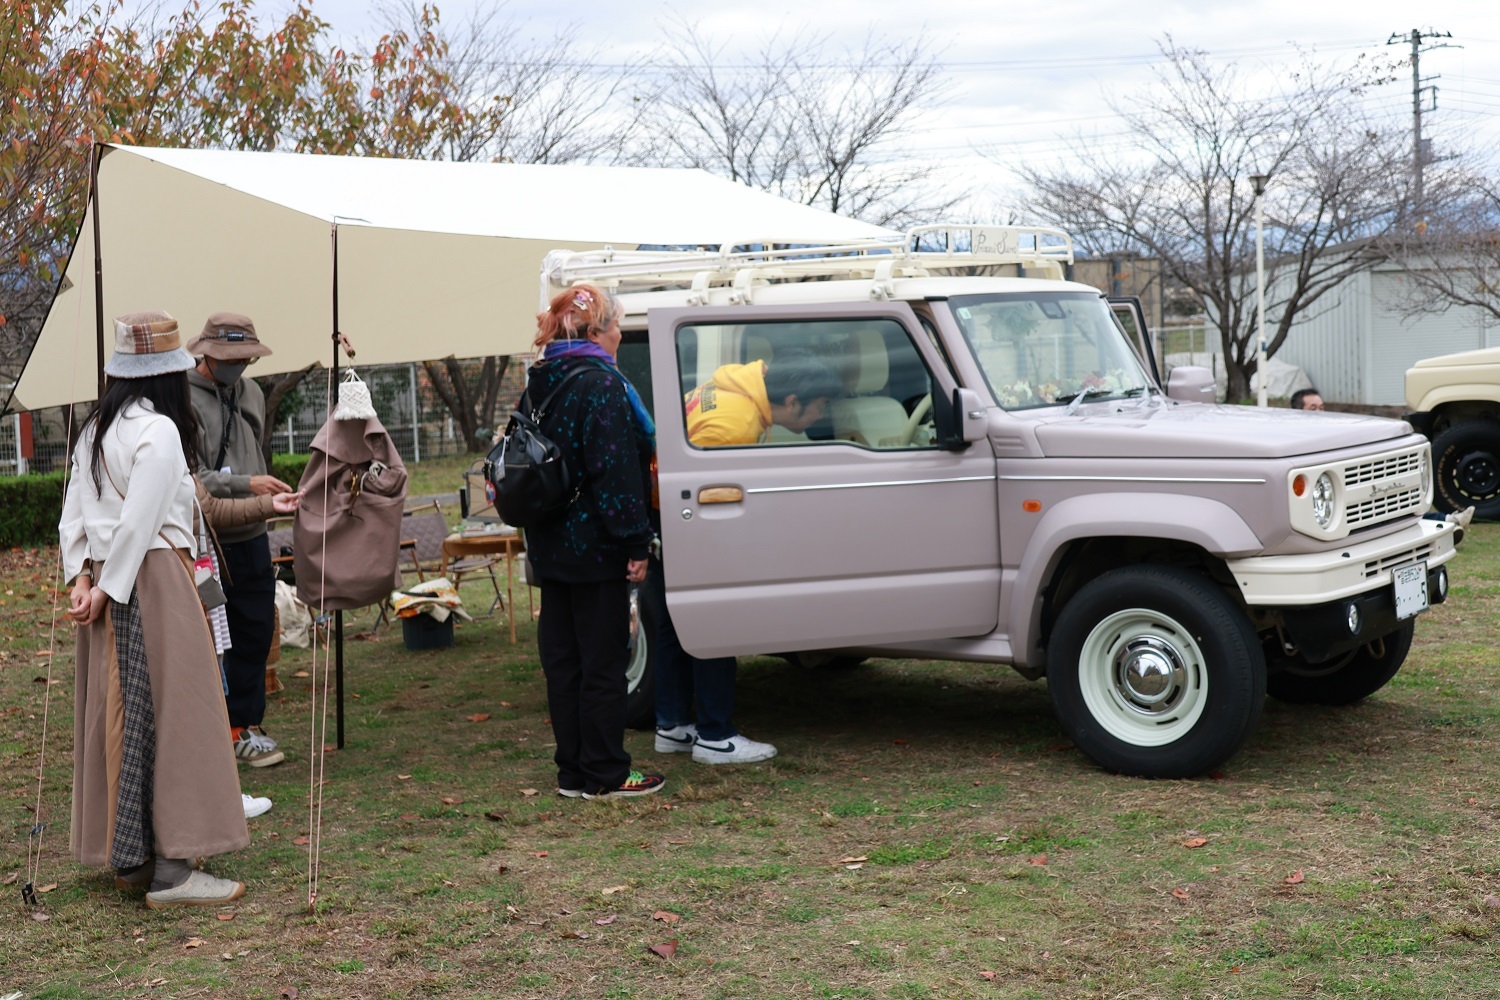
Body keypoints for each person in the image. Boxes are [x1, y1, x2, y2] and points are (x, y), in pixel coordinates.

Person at [57, 310, 270, 907]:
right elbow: (141, 518)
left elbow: (74, 512)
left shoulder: (96, 426)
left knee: (126, 712)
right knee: (177, 715)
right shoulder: (159, 431)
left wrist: (83, 577)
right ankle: (172, 869)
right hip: (151, 579)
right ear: (168, 375)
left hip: (111, 581)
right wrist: (106, 585)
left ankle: (135, 859)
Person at [651, 350, 844, 765]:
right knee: (717, 618)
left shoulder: (731, 386)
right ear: (791, 401)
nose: (818, 418)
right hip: (683, 519)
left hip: (660, 515)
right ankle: (716, 736)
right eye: (819, 408)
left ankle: (673, 725)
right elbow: (708, 490)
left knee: (673, 623)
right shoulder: (734, 422)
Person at [525, 284, 664, 799]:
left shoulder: (540, 379)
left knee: (564, 664)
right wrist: (635, 542)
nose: (620, 333)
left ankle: (573, 772)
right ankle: (606, 773)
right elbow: (614, 472)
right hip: (596, 547)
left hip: (549, 545)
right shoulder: (601, 385)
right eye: (615, 324)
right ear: (594, 331)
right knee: (603, 663)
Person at [186, 312, 291, 768]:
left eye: (245, 356)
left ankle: (245, 723)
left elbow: (253, 447)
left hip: (253, 532)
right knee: (213, 635)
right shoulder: (182, 399)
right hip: (209, 538)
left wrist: (260, 486)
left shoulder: (250, 390)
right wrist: (248, 484)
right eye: (230, 357)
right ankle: (216, 726)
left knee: (255, 628)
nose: (239, 364)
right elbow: (194, 475)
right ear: (205, 354)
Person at [194, 476, 304, 819]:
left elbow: (209, 507)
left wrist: (270, 506)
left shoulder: (173, 443)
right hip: (169, 577)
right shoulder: (157, 434)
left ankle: (222, 780)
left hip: (200, 567)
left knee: (220, 656)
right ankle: (211, 794)